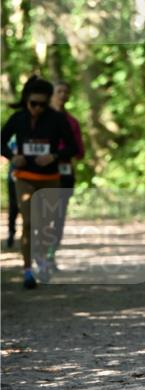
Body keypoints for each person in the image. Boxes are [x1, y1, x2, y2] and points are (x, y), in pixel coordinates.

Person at [1, 76, 76, 288]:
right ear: (26, 101)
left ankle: (41, 258)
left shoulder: (57, 120)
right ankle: (27, 270)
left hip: (50, 179)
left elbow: (72, 146)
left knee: (45, 224)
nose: (38, 109)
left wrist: (54, 156)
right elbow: (1, 141)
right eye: (34, 104)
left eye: (43, 104)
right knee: (29, 222)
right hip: (24, 178)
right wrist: (12, 156)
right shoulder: (17, 119)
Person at [49, 80, 85, 266]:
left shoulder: (72, 122)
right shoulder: (41, 119)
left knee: (59, 216)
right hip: (42, 174)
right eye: (58, 91)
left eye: (65, 91)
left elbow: (79, 151)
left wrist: (63, 154)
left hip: (65, 172)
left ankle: (50, 255)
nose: (62, 95)